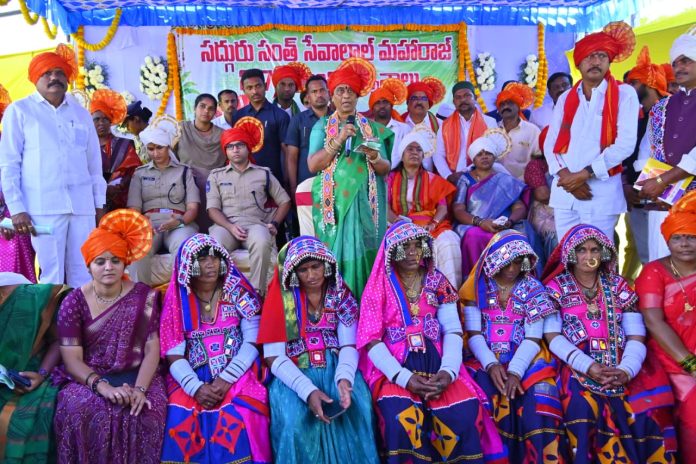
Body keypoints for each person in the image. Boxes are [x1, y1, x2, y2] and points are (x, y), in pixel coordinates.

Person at [357, 221, 507, 463]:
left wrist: (448, 372)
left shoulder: (437, 280)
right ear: (391, 251)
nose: (413, 252)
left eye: (418, 246)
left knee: (463, 415)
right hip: (395, 369)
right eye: (405, 247)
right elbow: (371, 341)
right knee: (400, 420)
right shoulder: (378, 286)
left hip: (439, 366)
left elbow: (453, 330)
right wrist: (404, 378)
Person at [543, 224, 676, 463]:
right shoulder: (555, 288)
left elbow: (636, 334)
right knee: (583, 408)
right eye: (582, 250)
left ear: (604, 253)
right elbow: (553, 336)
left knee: (647, 410)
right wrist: (587, 365)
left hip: (625, 360)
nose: (589, 256)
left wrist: (627, 369)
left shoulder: (618, 285)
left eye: (595, 250)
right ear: (571, 254)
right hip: (574, 362)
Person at [54, 209, 167, 463]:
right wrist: (102, 386)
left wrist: (140, 389)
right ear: (89, 266)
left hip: (138, 375)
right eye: (100, 261)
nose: (108, 267)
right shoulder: (74, 302)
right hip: (90, 377)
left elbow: (152, 349)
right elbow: (72, 360)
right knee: (80, 410)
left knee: (147, 412)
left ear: (125, 263)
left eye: (115, 260)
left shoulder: (144, 296)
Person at [257, 236, 379, 463]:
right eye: (303, 270)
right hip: (294, 371)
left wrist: (344, 378)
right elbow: (274, 357)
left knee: (359, 407)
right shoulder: (281, 299)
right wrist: (307, 390)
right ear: (293, 272)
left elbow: (348, 344)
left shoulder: (340, 293)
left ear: (327, 265)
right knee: (293, 422)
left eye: (316, 266)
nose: (311, 275)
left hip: (336, 366)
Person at [0, 44, 107, 287]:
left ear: (67, 78)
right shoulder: (20, 111)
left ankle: (78, 313)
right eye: (46, 73)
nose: (54, 77)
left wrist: (98, 205)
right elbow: (9, 164)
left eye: (59, 72)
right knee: (52, 274)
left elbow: (94, 165)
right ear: (35, 78)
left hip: (82, 206)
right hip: (43, 207)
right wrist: (16, 208)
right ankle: (52, 314)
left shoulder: (81, 114)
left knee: (84, 271)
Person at [159, 234, 271, 463]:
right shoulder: (177, 299)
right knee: (177, 417)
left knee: (242, 414)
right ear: (188, 265)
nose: (210, 264)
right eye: (202, 259)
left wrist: (227, 378)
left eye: (215, 258)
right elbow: (174, 353)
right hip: (191, 376)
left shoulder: (237, 291)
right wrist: (195, 388)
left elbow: (253, 339)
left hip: (238, 372)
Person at [460, 230, 566, 463]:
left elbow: (533, 338)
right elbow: (474, 334)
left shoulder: (533, 288)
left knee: (539, 401)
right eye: (506, 262)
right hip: (482, 357)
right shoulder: (477, 286)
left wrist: (515, 371)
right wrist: (491, 364)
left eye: (518, 262)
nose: (511, 269)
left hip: (527, 356)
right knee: (480, 398)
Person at [543, 21, 639, 241]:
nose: (596, 61)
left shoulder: (625, 94)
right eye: (589, 56)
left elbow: (625, 145)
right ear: (578, 63)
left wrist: (583, 175)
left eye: (601, 56)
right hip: (565, 193)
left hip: (600, 194)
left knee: (598, 255)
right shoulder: (566, 97)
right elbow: (551, 143)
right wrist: (568, 179)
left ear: (609, 61)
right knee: (567, 253)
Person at [307, 57, 393, 300]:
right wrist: (339, 139)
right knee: (338, 251)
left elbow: (385, 169)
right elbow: (313, 165)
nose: (346, 96)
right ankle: (337, 303)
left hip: (366, 201)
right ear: (332, 97)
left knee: (365, 252)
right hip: (333, 203)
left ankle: (367, 303)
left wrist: (374, 156)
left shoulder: (372, 129)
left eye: (351, 91)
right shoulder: (322, 127)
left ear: (357, 97)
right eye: (340, 91)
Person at [636, 191, 696, 462]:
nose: (685, 244)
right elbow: (653, 321)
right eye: (678, 237)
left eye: (692, 237)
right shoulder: (654, 272)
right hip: (670, 359)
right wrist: (691, 364)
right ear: (667, 240)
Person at [208, 117, 291, 295]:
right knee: (215, 243)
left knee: (262, 241)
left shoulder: (263, 174)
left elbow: (285, 201)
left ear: (248, 148)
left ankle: (256, 294)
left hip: (255, 224)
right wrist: (230, 227)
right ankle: (222, 295)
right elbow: (212, 209)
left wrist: (275, 223)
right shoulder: (216, 176)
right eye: (230, 147)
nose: (235, 150)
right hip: (226, 226)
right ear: (225, 151)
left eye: (239, 145)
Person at [637, 28, 696, 261]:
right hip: (662, 200)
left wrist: (662, 181)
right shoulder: (662, 107)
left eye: (686, 60)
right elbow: (649, 149)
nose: (679, 67)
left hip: (691, 201)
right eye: (675, 63)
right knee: (661, 262)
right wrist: (651, 185)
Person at [0, 273, 69, 463]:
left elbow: (58, 340)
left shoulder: (30, 297)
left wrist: (41, 374)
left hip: (28, 373)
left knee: (19, 419)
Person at [127, 124, 200, 285]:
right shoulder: (140, 173)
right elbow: (134, 208)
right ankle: (141, 294)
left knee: (185, 245)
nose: (155, 153)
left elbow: (193, 208)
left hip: (179, 223)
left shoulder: (184, 171)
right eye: (151, 149)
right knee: (137, 248)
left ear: (168, 147)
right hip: (149, 224)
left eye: (159, 148)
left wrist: (179, 221)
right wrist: (143, 222)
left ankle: (180, 294)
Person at [453, 129, 531, 278]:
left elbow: (519, 207)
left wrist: (509, 221)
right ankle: (477, 282)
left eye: (488, 153)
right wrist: (480, 222)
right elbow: (458, 210)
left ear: (494, 157)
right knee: (474, 236)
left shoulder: (504, 179)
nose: (484, 157)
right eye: (479, 154)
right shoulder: (465, 179)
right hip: (473, 224)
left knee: (518, 234)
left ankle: (516, 282)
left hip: (502, 225)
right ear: (473, 159)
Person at [387, 132, 461, 287]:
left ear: (423, 155)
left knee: (449, 241)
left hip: (430, 225)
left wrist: (434, 223)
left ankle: (450, 292)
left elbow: (442, 207)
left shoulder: (433, 179)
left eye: (419, 149)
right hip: (398, 226)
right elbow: (384, 205)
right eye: (410, 149)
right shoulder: (390, 179)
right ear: (402, 155)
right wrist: (397, 222)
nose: (415, 152)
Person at [622, 46, 670, 278]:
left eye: (634, 83)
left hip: (664, 198)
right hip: (639, 199)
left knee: (666, 259)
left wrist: (647, 187)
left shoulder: (669, 110)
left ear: (649, 84)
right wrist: (627, 186)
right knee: (648, 257)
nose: (629, 88)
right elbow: (630, 158)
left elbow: (667, 155)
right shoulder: (639, 117)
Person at [0, 84, 36, 282]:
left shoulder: (10, 142)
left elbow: (17, 179)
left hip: (11, 217)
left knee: (14, 277)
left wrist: (7, 217)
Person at [174, 93, 225, 232]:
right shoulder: (181, 129)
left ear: (215, 112)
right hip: (185, 183)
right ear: (194, 108)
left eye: (211, 108)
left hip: (213, 185)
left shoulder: (222, 135)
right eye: (202, 106)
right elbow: (168, 153)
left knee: (212, 227)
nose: (206, 111)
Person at [233, 68, 291, 187]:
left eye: (258, 86)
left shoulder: (280, 115)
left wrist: (288, 178)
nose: (254, 91)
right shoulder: (238, 116)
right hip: (244, 177)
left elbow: (287, 151)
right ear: (243, 90)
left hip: (273, 178)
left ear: (265, 86)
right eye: (249, 88)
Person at [434, 81, 497, 184]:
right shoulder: (444, 126)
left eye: (467, 95)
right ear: (454, 102)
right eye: (458, 97)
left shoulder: (489, 122)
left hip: (481, 178)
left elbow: (494, 153)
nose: (463, 100)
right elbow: (438, 154)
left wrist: (470, 173)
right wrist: (448, 175)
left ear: (475, 98)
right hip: (453, 179)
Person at [90, 89, 142, 212]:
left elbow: (134, 172)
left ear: (111, 122)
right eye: (96, 119)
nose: (101, 123)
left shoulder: (124, 144)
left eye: (105, 119)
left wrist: (118, 186)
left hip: (119, 200)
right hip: (90, 200)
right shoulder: (85, 147)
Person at [284, 74, 330, 200]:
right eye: (314, 92)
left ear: (328, 93)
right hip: (306, 184)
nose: (319, 94)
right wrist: (293, 187)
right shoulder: (298, 120)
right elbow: (291, 157)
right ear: (308, 97)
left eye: (322, 90)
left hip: (335, 183)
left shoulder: (338, 118)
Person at [524, 127, 557, 267]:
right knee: (556, 234)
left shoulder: (574, 163)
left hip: (568, 208)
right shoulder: (536, 165)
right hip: (545, 211)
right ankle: (554, 274)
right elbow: (543, 195)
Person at [495, 82, 541, 180]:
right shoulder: (494, 129)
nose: (505, 107)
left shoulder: (532, 131)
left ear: (519, 106)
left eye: (510, 103)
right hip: (496, 182)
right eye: (502, 104)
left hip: (524, 182)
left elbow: (539, 160)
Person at [402, 77, 445, 172]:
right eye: (414, 98)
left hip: (433, 176)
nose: (419, 102)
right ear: (408, 103)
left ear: (429, 104)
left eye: (423, 98)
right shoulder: (399, 124)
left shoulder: (441, 125)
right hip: (403, 175)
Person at [368, 78, 411, 167]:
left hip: (398, 173)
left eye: (385, 102)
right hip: (373, 173)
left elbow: (409, 154)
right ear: (372, 108)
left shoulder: (404, 129)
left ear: (391, 105)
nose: (382, 106)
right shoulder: (366, 129)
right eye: (377, 103)